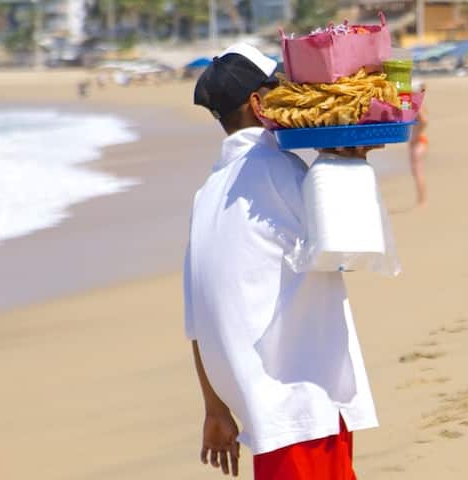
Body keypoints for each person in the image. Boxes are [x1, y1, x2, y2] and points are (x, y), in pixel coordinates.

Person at [184, 42, 380, 480]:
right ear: (259, 103)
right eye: (278, 88)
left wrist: (215, 408)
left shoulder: (207, 193)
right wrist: (349, 165)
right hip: (300, 400)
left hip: (262, 409)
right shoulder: (279, 170)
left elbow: (197, 318)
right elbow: (346, 251)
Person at [409, 79, 430, 207]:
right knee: (416, 171)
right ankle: (421, 200)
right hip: (419, 140)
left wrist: (415, 137)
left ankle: (422, 201)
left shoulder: (418, 104)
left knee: (417, 171)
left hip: (418, 142)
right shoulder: (417, 103)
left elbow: (424, 121)